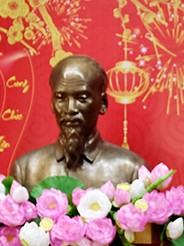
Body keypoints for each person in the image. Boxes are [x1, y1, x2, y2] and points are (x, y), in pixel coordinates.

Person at [10, 55, 145, 189]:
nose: (70, 109)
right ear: (52, 103)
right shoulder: (25, 170)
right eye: (60, 98)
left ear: (103, 103)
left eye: (82, 98)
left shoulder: (131, 170)